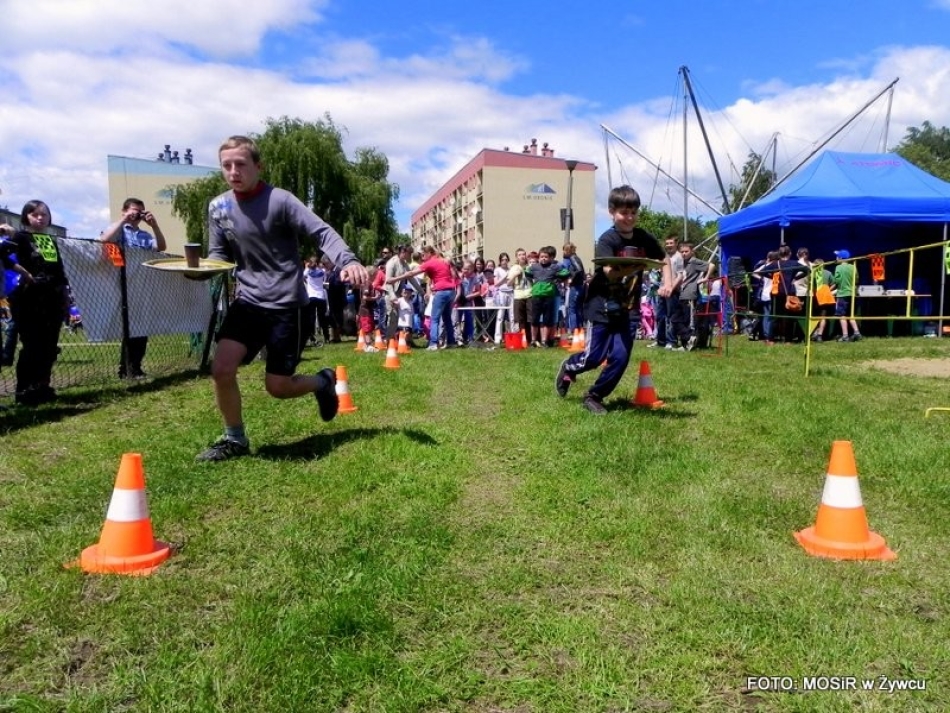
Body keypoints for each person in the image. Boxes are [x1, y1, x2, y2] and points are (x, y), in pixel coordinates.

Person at [197, 135, 369, 461]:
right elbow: (218, 255)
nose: (234, 172)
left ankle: (323, 381)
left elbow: (321, 232)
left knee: (278, 387)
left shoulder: (281, 201)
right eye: (227, 166)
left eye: (241, 165)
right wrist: (200, 271)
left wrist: (348, 261)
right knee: (221, 368)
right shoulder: (218, 208)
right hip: (248, 302)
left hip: (287, 307)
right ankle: (235, 439)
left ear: (258, 167)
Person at [555, 185, 672, 415]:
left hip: (629, 308)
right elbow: (609, 271)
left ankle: (595, 395)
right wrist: (634, 267)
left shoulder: (643, 237)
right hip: (601, 306)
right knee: (594, 357)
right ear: (612, 212)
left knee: (620, 357)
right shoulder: (607, 239)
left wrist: (667, 283)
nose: (629, 218)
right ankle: (569, 366)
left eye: (633, 213)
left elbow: (664, 258)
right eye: (623, 213)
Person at [0, 200, 69, 406]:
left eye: (44, 214)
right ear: (26, 217)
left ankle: (42, 385)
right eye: (35, 214)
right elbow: (6, 257)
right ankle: (25, 390)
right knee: (32, 345)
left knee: (49, 346)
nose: (40, 218)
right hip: (28, 298)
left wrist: (63, 295)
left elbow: (58, 270)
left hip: (53, 298)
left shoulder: (50, 240)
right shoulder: (20, 237)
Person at [99, 198, 167, 378]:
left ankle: (136, 367)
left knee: (142, 329)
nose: (137, 215)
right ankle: (126, 369)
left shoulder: (144, 235)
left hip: (142, 286)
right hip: (122, 285)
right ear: (124, 211)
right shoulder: (119, 229)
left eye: (140, 212)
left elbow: (161, 246)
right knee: (129, 330)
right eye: (134, 211)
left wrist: (154, 225)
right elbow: (105, 240)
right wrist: (124, 220)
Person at [393, 245, 459, 350]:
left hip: (441, 292)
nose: (421, 256)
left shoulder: (429, 263)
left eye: (423, 254)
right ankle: (451, 342)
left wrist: (394, 279)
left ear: (429, 253)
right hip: (451, 291)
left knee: (434, 318)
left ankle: (433, 343)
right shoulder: (442, 260)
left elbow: (411, 273)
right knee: (447, 318)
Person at [526, 246, 569, 347]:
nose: (543, 258)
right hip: (536, 296)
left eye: (546, 257)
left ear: (550, 258)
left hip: (549, 296)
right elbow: (527, 272)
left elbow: (566, 273)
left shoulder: (555, 267)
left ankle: (544, 341)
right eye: (541, 257)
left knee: (547, 319)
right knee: (535, 319)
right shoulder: (534, 267)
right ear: (539, 257)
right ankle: (533, 340)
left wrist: (558, 278)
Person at [832, 249, 862, 342]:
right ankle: (857, 333)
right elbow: (857, 279)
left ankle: (845, 335)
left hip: (842, 294)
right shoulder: (853, 267)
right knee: (851, 315)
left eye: (837, 257)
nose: (836, 258)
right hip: (852, 294)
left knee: (842, 315)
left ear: (841, 258)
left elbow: (836, 281)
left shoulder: (838, 268)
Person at [302, 254, 330, 346]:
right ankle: (327, 337)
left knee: (311, 318)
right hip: (321, 296)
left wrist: (306, 267)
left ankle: (312, 337)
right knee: (322, 318)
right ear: (317, 263)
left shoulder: (307, 271)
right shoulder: (322, 271)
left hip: (311, 296)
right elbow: (323, 279)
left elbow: (303, 278)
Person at [561, 242, 586, 332]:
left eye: (564, 250)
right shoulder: (576, 257)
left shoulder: (572, 258)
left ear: (567, 250)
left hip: (575, 287)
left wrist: (571, 278)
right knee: (578, 308)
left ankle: (573, 330)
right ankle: (579, 329)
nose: (563, 252)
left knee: (572, 309)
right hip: (580, 286)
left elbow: (578, 270)